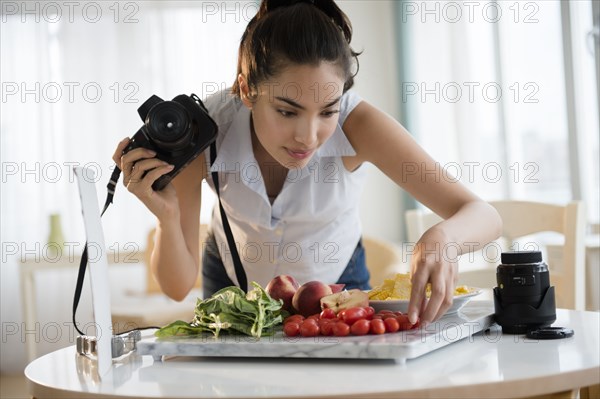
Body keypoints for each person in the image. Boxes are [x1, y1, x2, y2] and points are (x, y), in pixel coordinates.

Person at [112, 0, 502, 325]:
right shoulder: (206, 128)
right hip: (235, 283)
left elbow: (483, 214)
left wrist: (443, 239)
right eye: (287, 112)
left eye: (327, 111)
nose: (309, 135)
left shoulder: (359, 124)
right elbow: (176, 287)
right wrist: (166, 217)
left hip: (338, 281)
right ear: (248, 89)